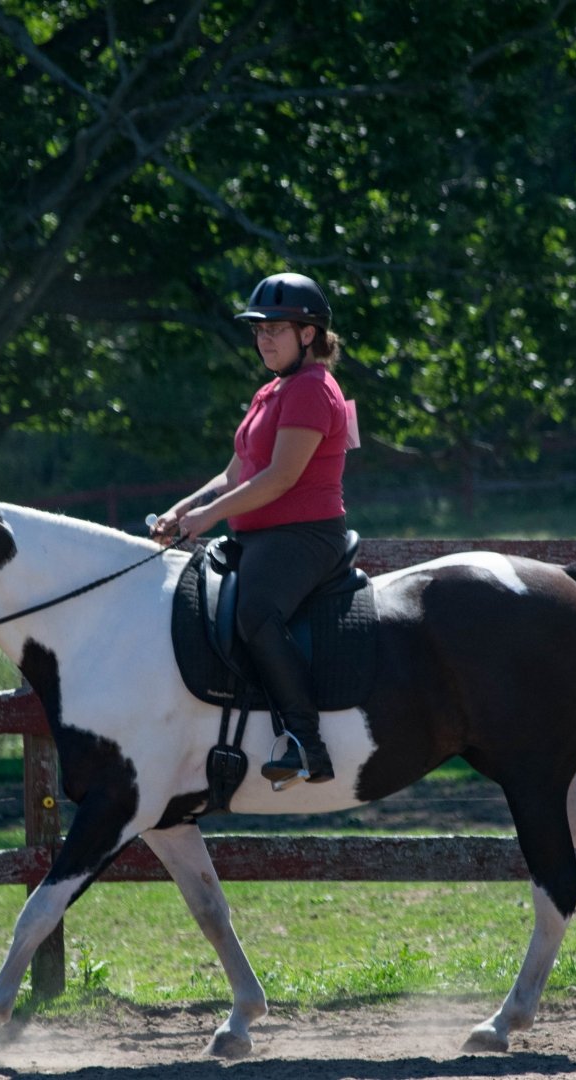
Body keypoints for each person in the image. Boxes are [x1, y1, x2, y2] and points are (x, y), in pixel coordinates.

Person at [151, 272, 354, 784]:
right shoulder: (272, 391)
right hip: (261, 537)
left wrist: (208, 518)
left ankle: (307, 743)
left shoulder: (311, 390)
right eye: (258, 330)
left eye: (276, 330)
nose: (264, 339)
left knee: (257, 612)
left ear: (308, 335)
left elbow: (282, 478)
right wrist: (182, 509)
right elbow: (233, 474)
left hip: (304, 536)